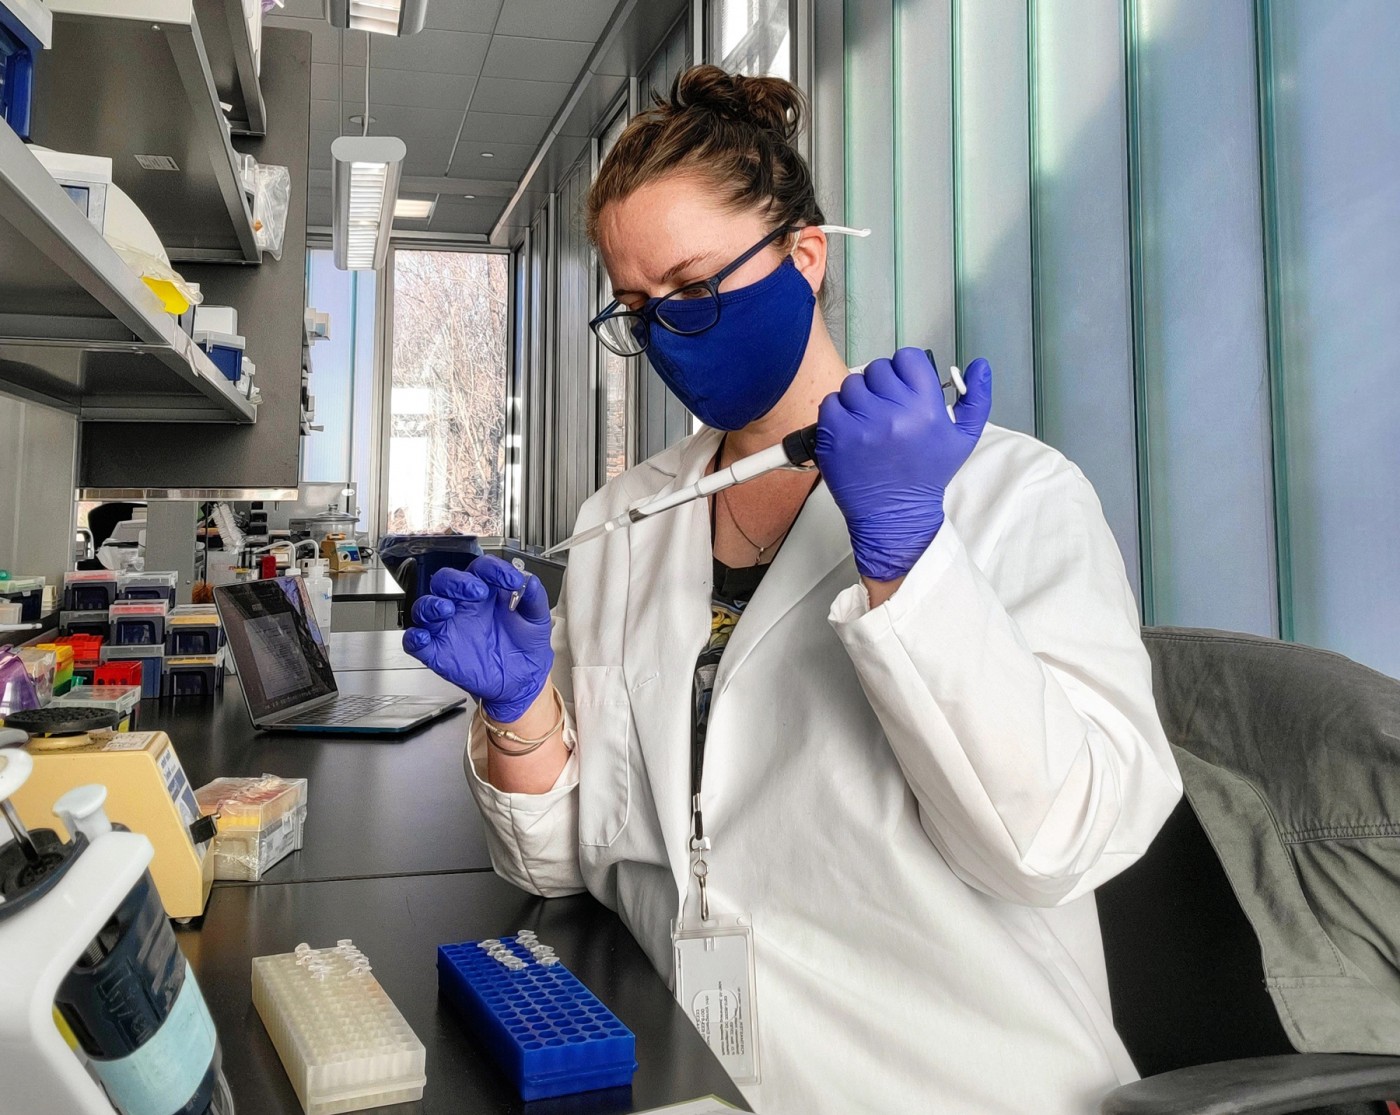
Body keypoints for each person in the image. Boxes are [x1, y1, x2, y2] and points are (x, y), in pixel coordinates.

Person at [405, 65, 1183, 1115]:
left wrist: (907, 560)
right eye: (634, 306)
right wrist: (518, 714)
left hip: (946, 1081)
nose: (660, 333)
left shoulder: (1008, 494)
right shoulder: (623, 521)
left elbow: (1051, 846)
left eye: (690, 288)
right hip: (687, 1064)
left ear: (802, 259)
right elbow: (571, 865)